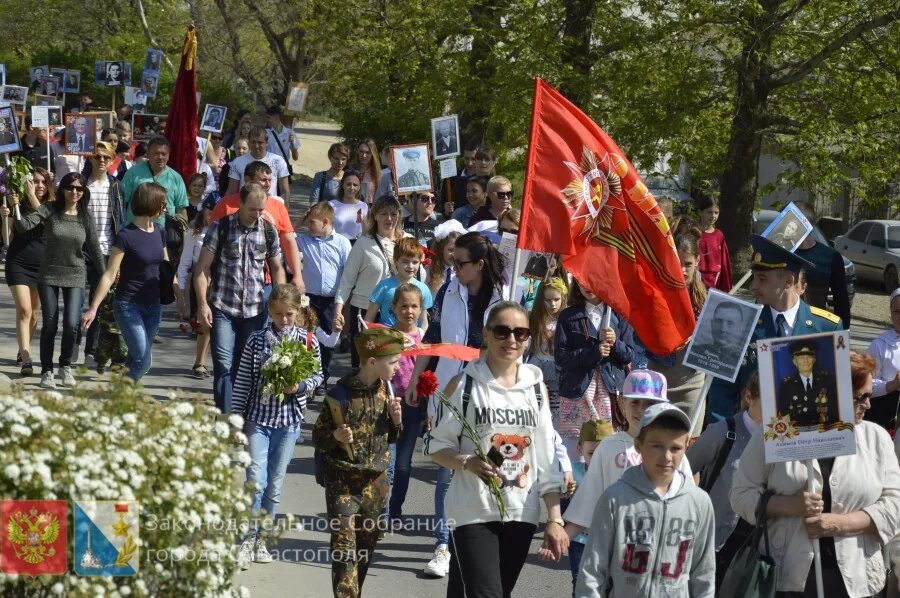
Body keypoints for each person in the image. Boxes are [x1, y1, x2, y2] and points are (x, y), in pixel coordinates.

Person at [427, 301, 568, 597]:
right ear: (487, 334)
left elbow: (545, 458)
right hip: (472, 510)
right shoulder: (464, 386)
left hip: (521, 512)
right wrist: (467, 461)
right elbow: (437, 446)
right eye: (502, 331)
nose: (512, 340)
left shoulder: (535, 388)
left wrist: (554, 518)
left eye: (520, 333)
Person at [731, 351, 900, 598]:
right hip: (787, 578)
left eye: (869, 395)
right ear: (835, 395)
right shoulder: (779, 433)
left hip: (856, 580)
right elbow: (740, 495)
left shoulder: (877, 438)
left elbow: (895, 506)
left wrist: (839, 524)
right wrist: (788, 505)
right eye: (860, 397)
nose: (868, 404)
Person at [576, 402, 715, 597]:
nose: (666, 456)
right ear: (639, 445)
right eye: (657, 446)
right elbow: (592, 569)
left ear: (685, 448)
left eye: (675, 448)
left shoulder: (699, 503)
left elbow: (703, 574)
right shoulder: (615, 499)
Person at [232, 283, 324, 568]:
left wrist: (299, 386)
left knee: (273, 485)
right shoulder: (257, 341)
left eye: (289, 314)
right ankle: (247, 539)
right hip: (258, 420)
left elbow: (318, 376)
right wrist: (236, 418)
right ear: (269, 312)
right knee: (255, 481)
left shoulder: (308, 342)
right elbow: (244, 380)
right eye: (278, 314)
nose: (284, 320)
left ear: (298, 313)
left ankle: (264, 540)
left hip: (288, 423)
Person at [707, 235, 843, 423]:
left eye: (762, 279)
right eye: (754, 278)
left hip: (808, 438)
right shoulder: (742, 324)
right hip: (751, 438)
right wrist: (728, 438)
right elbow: (722, 392)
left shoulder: (828, 326)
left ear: (789, 281)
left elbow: (838, 391)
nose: (753, 286)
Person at [312, 327, 404, 598]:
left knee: (364, 550)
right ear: (373, 362)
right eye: (393, 362)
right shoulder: (340, 393)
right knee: (343, 551)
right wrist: (336, 435)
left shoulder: (387, 390)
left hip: (375, 484)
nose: (398, 367)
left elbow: (390, 436)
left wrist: (396, 421)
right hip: (342, 482)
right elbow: (318, 436)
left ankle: (354, 592)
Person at [562, 370, 695, 541]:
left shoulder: (672, 451)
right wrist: (565, 537)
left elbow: (687, 501)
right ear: (622, 402)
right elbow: (590, 495)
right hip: (615, 543)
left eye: (650, 404)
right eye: (635, 402)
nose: (641, 410)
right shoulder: (608, 447)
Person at [194, 183, 286, 413]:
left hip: (255, 311)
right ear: (240, 203)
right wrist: (203, 304)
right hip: (223, 307)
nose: (257, 214)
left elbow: (276, 268)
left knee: (245, 368)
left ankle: (240, 416)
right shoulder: (221, 227)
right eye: (252, 209)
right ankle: (226, 419)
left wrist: (281, 300)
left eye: (261, 209)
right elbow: (202, 268)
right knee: (224, 367)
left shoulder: (268, 230)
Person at [14, 172, 105, 388]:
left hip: (75, 275)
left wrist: (105, 276)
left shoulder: (86, 217)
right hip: (48, 274)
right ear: (63, 189)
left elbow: (95, 249)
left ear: (84, 192)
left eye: (79, 188)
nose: (74, 192)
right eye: (70, 187)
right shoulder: (50, 209)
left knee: (72, 324)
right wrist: (14, 208)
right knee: (50, 324)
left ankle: (65, 366)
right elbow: (23, 226)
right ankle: (47, 370)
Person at [81, 183, 169, 382]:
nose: (165, 208)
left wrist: (178, 294)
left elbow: (165, 266)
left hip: (154, 305)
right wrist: (93, 308)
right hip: (128, 305)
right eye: (162, 204)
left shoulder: (160, 231)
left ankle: (120, 397)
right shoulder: (126, 235)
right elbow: (109, 274)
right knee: (144, 358)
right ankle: (124, 393)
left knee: (133, 357)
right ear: (151, 202)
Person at [406, 231, 507, 399]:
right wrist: (414, 379)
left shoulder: (504, 300)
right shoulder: (446, 292)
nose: (454, 268)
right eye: (453, 262)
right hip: (447, 390)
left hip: (487, 394)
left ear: (479, 264)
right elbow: (431, 337)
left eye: (460, 263)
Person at [686, 370, 762, 590]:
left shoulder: (781, 441)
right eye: (769, 400)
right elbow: (684, 470)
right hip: (715, 541)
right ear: (749, 397)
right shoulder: (723, 431)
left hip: (755, 544)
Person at [554, 279, 634, 464]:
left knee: (609, 445)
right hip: (577, 391)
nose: (587, 287)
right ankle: (575, 487)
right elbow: (561, 358)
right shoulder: (568, 316)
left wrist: (615, 343)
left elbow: (629, 355)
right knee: (576, 448)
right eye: (582, 282)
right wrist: (593, 353)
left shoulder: (619, 315)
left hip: (610, 389)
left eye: (592, 281)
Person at [334, 196, 408, 368]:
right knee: (365, 364)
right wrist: (338, 310)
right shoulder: (363, 243)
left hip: (395, 310)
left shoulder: (407, 241)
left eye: (393, 214)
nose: (389, 219)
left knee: (392, 363)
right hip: (364, 309)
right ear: (375, 216)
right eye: (383, 214)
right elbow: (347, 280)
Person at [642, 232, 707, 427]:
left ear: (697, 261)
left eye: (688, 264)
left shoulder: (706, 301)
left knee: (689, 450)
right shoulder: (653, 296)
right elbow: (639, 339)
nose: (682, 270)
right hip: (658, 386)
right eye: (677, 263)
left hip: (692, 387)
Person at [1, 168, 52, 376]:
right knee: (24, 310)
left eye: (42, 182)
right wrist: (4, 216)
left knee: (35, 314)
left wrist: (31, 196)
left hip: (42, 265)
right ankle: (26, 357)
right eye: (35, 181)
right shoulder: (16, 205)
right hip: (18, 263)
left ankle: (25, 349)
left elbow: (49, 224)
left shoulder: (52, 207)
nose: (39, 185)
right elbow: (7, 239)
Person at [297, 201, 352, 393]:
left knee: (328, 342)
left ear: (325, 221)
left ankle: (322, 378)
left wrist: (343, 304)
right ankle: (306, 378)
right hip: (309, 299)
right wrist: (300, 220)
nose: (308, 226)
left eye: (312, 222)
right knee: (306, 338)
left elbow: (348, 274)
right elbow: (283, 237)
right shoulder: (303, 240)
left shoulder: (342, 243)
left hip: (331, 300)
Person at [82, 141, 128, 359]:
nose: (101, 160)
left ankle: (91, 349)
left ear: (112, 161)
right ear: (90, 158)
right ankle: (71, 349)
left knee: (98, 303)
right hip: (82, 250)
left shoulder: (117, 187)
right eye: (97, 156)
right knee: (76, 303)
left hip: (108, 250)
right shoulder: (80, 185)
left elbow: (121, 221)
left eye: (106, 157)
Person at [565, 420, 614, 596]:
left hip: (608, 540)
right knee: (580, 581)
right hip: (580, 540)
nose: (597, 458)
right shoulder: (573, 471)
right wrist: (565, 488)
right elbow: (560, 488)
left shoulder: (618, 472)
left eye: (602, 453)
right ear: (580, 449)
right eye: (592, 453)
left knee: (608, 583)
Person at [793, 201, 851, 328]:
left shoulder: (830, 257)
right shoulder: (778, 252)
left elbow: (841, 302)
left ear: (806, 224)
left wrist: (843, 336)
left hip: (814, 327)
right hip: (780, 326)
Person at [177, 199, 214, 378]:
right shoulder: (194, 232)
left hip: (218, 280)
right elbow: (185, 261)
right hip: (199, 278)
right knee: (203, 322)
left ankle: (206, 360)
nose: (212, 217)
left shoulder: (223, 231)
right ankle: (200, 362)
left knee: (215, 323)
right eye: (209, 213)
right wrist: (182, 288)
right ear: (203, 213)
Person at [365, 236, 433, 327]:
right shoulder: (384, 286)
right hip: (388, 337)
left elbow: (423, 321)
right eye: (405, 261)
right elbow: (369, 319)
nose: (410, 266)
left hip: (413, 339)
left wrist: (422, 339)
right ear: (396, 261)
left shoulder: (423, 289)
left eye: (415, 262)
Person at [121, 136, 188, 226]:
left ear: (169, 155)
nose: (160, 157)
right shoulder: (133, 173)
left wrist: (182, 231)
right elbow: (121, 202)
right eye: (156, 153)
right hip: (136, 231)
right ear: (148, 154)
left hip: (164, 234)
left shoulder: (176, 178)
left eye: (164, 154)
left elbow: (181, 209)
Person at [527, 278, 569, 421]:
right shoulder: (534, 317)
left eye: (556, 299)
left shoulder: (568, 318)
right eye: (548, 300)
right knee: (534, 404)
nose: (553, 304)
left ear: (563, 298)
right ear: (541, 300)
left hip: (557, 368)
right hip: (536, 365)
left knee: (556, 410)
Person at [777, 340, 839, 427]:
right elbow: (783, 416)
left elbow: (834, 411)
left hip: (825, 432)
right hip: (798, 435)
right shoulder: (786, 385)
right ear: (795, 362)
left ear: (814, 360)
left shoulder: (828, 381)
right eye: (801, 357)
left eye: (809, 357)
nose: (805, 361)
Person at [224, 127, 291, 203]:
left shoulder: (278, 161)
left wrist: (284, 209)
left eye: (260, 142)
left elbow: (285, 190)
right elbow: (231, 191)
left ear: (266, 143)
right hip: (246, 208)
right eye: (253, 142)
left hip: (270, 207)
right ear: (249, 143)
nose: (256, 146)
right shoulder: (237, 162)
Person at [866, 287, 900, 429]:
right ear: (891, 314)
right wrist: (891, 385)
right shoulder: (880, 345)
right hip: (887, 415)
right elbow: (865, 385)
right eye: (897, 311)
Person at [689, 301, 748, 370]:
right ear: (712, 323)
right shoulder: (694, 351)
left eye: (730, 323)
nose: (723, 329)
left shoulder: (742, 361)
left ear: (739, 329)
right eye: (719, 321)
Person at [697, 194, 732, 292]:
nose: (713, 216)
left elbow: (724, 264)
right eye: (709, 212)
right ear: (700, 212)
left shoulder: (719, 235)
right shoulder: (694, 233)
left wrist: (726, 288)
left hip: (714, 283)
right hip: (697, 281)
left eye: (716, 213)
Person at [425, 222, 465, 298]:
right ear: (440, 249)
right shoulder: (429, 271)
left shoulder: (464, 272)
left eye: (458, 250)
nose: (454, 254)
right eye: (451, 250)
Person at [328, 169, 369, 242]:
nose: (352, 188)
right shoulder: (331, 205)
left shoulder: (363, 206)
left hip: (355, 246)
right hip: (335, 243)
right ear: (342, 185)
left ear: (359, 187)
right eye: (348, 184)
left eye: (355, 185)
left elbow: (365, 232)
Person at [350, 138, 381, 204]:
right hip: (351, 208)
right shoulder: (350, 170)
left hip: (370, 210)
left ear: (373, 154)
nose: (364, 155)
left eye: (368, 152)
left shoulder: (378, 173)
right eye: (361, 151)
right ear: (357, 152)